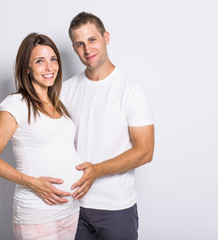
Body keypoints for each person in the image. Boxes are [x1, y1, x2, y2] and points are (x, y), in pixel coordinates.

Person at [60, 12, 155, 240]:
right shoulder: (65, 91)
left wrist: (98, 170)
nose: (87, 49)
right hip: (72, 205)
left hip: (116, 207)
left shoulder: (130, 90)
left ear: (106, 37)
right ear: (74, 49)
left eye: (92, 40)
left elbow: (145, 151)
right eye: (79, 44)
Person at [0, 33, 82, 240]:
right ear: (27, 68)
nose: (49, 67)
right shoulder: (16, 104)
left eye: (53, 59)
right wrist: (32, 182)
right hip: (38, 216)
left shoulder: (59, 106)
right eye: (39, 61)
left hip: (70, 212)